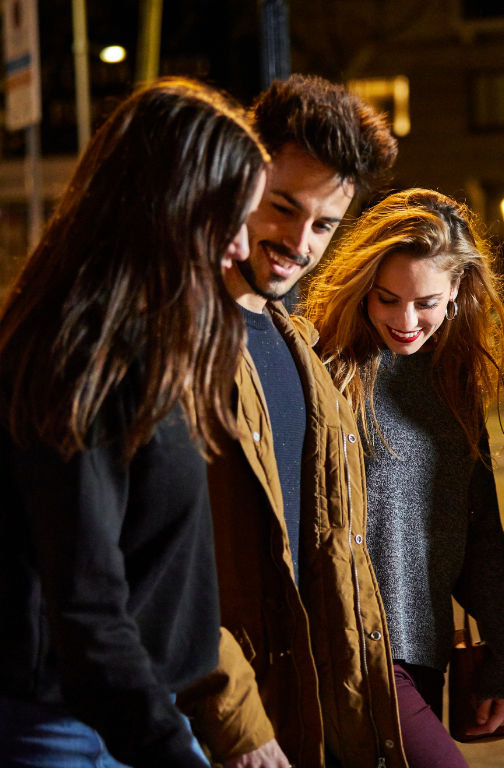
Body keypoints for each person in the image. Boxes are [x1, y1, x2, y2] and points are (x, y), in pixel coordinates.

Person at [0, 78, 268, 767]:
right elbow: (86, 600)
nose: (242, 247)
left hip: (133, 711)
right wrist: (167, 746)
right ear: (173, 208)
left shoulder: (151, 345)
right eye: (230, 219)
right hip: (69, 728)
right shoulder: (77, 358)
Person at [177, 74, 401, 768]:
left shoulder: (296, 343)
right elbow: (163, 569)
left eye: (325, 225)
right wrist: (237, 727)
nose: (300, 242)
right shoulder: (179, 339)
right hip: (216, 722)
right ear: (239, 184)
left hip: (301, 709)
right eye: (283, 207)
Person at [303, 188, 504, 768]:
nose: (407, 321)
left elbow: (479, 530)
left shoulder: (451, 379)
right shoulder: (320, 365)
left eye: (427, 302)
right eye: (387, 299)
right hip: (345, 648)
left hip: (424, 653)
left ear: (457, 289)